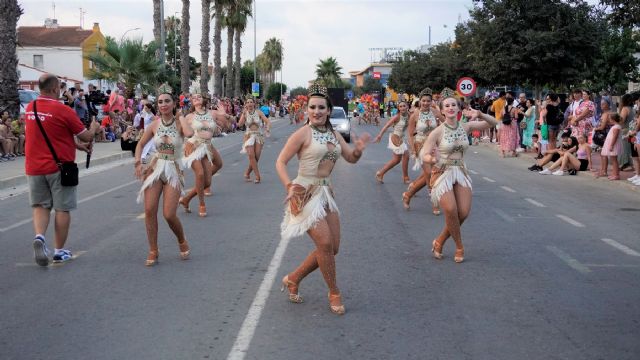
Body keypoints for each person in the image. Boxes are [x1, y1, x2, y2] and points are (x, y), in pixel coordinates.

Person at [276, 83, 371, 315]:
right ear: (306, 109)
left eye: (321, 107)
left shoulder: (334, 133)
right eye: (312, 107)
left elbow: (350, 158)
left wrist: (357, 150)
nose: (316, 111)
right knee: (325, 244)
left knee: (333, 247)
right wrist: (290, 186)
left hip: (326, 193)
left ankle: (294, 278)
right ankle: (334, 292)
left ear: (329, 110)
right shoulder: (302, 134)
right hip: (305, 193)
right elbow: (280, 162)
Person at [25, 74, 101, 266]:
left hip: (33, 167)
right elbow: (85, 136)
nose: (61, 90)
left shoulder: (30, 108)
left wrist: (76, 146)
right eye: (59, 87)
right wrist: (94, 128)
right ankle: (59, 251)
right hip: (59, 167)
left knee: (41, 205)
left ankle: (40, 238)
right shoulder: (62, 110)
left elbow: (51, 134)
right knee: (62, 208)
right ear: (53, 89)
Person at [423, 88, 499, 263]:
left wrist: (480, 113)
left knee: (463, 213)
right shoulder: (438, 132)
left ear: (458, 108)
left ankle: (440, 240)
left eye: (453, 105)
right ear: (442, 110)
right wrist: (432, 158)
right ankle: (459, 246)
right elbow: (424, 154)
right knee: (450, 209)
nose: (450, 108)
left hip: (461, 171)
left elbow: (494, 122)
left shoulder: (466, 126)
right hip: (442, 172)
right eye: (447, 106)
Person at [134, 84, 193, 266]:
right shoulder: (154, 125)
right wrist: (138, 162)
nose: (163, 104)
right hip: (155, 167)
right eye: (160, 102)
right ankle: (153, 249)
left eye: (167, 101)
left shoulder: (180, 123)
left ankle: (181, 239)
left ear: (174, 103)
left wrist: (180, 116)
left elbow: (190, 133)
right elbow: (140, 145)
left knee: (169, 214)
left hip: (173, 169)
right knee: (150, 209)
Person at [179, 90, 224, 217]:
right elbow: (180, 132)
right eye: (194, 97)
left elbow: (228, 123)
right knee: (199, 174)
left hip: (206, 146)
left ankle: (186, 199)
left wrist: (225, 115)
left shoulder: (212, 113)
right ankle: (201, 204)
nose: (196, 98)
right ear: (192, 102)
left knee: (207, 182)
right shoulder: (189, 117)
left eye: (199, 96)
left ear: (204, 100)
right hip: (193, 145)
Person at [402, 88, 442, 213]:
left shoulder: (435, 112)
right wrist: (413, 149)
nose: (425, 103)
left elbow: (446, 123)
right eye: (423, 101)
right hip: (421, 146)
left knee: (431, 174)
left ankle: (408, 195)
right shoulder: (415, 115)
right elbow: (409, 134)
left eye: (428, 101)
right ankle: (435, 203)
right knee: (429, 173)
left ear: (431, 102)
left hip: (434, 146)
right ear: (420, 102)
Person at [374, 100, 411, 184]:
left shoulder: (409, 115)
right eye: (400, 106)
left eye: (404, 106)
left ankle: (380, 173)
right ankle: (405, 177)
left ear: (407, 107)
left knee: (396, 160)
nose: (402, 108)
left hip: (401, 138)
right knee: (406, 154)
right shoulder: (397, 117)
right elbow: (386, 126)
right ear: (398, 108)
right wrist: (379, 135)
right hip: (395, 137)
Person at [238, 96, 271, 183]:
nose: (249, 104)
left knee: (256, 157)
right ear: (245, 104)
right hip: (248, 136)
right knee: (251, 156)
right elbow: (239, 125)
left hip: (258, 136)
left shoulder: (259, 112)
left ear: (254, 104)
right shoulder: (245, 113)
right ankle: (257, 176)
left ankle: (247, 173)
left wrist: (267, 129)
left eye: (251, 102)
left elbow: (267, 121)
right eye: (247, 102)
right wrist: (242, 114)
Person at [599, 113, 623, 180]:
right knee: (613, 160)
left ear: (613, 119)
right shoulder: (615, 126)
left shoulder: (616, 127)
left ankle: (616, 175)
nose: (609, 120)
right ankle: (614, 174)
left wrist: (611, 145)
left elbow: (615, 137)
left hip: (613, 144)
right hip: (612, 144)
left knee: (614, 160)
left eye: (610, 119)